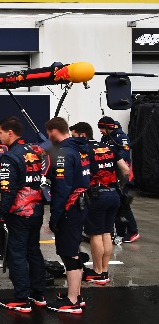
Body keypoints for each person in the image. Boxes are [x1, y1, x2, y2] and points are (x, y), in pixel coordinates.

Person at [0, 117, 46, 313]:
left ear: (10, 133)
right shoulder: (35, 151)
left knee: (16, 254)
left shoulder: (9, 156)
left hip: (20, 213)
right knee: (33, 251)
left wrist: (0, 217)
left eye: (0, 133)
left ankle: (22, 299)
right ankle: (38, 294)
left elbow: (8, 190)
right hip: (37, 210)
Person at [70, 122, 128, 285]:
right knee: (107, 233)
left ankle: (97, 272)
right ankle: (104, 271)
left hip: (96, 196)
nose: (72, 140)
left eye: (74, 136)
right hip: (114, 194)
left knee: (95, 234)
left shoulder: (83, 150)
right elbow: (125, 170)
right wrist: (119, 187)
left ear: (82, 135)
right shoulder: (108, 147)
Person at [45, 117, 90, 314]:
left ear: (54, 130)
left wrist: (54, 218)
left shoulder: (63, 153)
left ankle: (72, 301)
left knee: (69, 253)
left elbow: (62, 189)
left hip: (70, 208)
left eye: (49, 133)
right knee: (73, 250)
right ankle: (76, 294)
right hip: (81, 205)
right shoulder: (81, 149)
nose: (48, 137)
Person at [98, 116, 139, 242]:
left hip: (123, 176)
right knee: (116, 205)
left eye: (102, 128)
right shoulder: (104, 138)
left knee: (124, 204)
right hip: (111, 176)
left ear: (109, 127)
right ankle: (121, 232)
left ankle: (133, 231)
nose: (100, 131)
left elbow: (124, 155)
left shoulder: (122, 138)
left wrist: (107, 157)